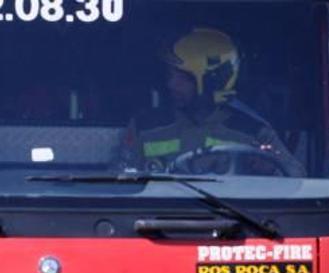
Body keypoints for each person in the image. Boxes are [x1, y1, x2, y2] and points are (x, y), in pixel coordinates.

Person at [123, 27, 303, 176]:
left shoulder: (253, 132)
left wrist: (270, 169)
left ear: (213, 80)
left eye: (183, 78)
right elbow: (119, 181)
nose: (171, 84)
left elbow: (296, 178)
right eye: (170, 75)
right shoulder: (144, 126)